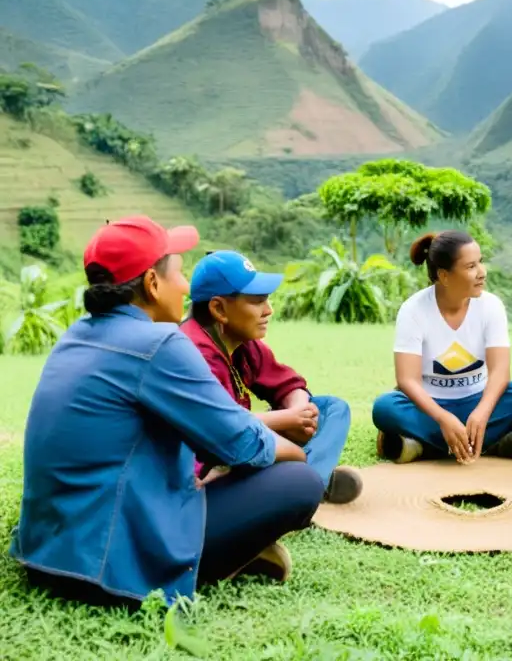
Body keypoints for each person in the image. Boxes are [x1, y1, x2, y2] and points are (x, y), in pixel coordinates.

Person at [10, 216, 325, 610]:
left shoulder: (75, 335)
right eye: (180, 272)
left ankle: (239, 550)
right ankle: (217, 560)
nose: (184, 285)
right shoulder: (159, 343)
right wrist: (296, 454)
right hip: (107, 568)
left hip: (46, 555)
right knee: (299, 481)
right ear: (152, 284)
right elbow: (241, 441)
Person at [179, 249, 361, 504]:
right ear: (219, 309)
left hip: (243, 438)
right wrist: (288, 418)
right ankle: (307, 485)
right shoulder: (193, 353)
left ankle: (304, 481)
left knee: (332, 408)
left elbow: (288, 384)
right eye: (257, 301)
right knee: (253, 446)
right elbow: (222, 428)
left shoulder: (240, 340)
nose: (269, 310)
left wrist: (301, 412)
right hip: (214, 455)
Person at [372, 230, 512, 464]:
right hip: (431, 407)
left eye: (480, 262)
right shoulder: (413, 310)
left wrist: (482, 412)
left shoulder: (491, 306)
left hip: (477, 400)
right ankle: (491, 442)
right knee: (385, 407)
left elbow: (500, 371)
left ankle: (422, 446)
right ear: (444, 275)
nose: (482, 272)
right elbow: (406, 380)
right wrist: (442, 418)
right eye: (471, 266)